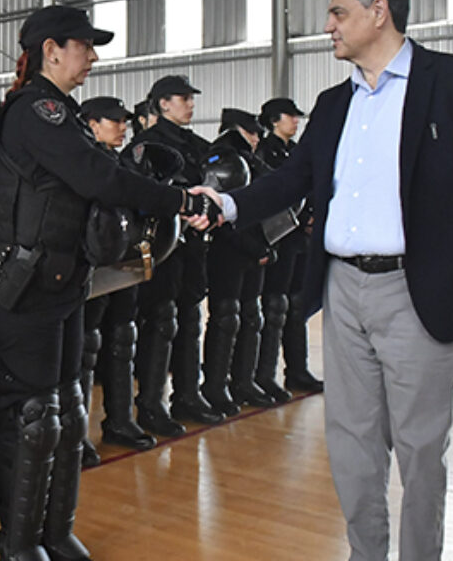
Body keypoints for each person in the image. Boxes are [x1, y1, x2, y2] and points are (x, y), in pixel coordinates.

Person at [198, 0, 453, 560]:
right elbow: (294, 178)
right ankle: (365, 552)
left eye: (338, 13)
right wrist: (226, 203)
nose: (328, 26)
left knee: (420, 444)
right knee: (350, 439)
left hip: (418, 289)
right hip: (344, 289)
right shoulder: (333, 104)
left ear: (380, 13)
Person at [0, 5, 206, 561]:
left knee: (67, 409)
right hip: (24, 288)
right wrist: (176, 199)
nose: (94, 56)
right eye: (85, 45)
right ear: (51, 49)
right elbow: (98, 176)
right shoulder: (37, 110)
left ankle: (56, 533)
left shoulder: (63, 113)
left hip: (62, 281)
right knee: (30, 419)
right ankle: (19, 542)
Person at [127, 75, 224, 435]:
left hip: (195, 244)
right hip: (164, 245)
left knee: (190, 318)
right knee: (161, 321)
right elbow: (140, 194)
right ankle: (151, 404)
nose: (191, 104)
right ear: (163, 103)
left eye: (190, 98)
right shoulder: (146, 145)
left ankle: (187, 394)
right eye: (183, 98)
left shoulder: (197, 144)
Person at [78, 96, 157, 461]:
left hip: (122, 267)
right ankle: (76, 434)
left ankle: (120, 420)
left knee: (122, 339)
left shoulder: (123, 163)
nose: (123, 127)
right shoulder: (82, 165)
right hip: (93, 268)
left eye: (125, 121)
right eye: (114, 121)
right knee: (86, 347)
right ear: (92, 125)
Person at [201, 109, 277, 413]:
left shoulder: (250, 158)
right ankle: (216, 386)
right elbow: (221, 212)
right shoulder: (223, 158)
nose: (257, 138)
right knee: (226, 317)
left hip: (254, 245)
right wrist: (253, 245)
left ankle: (242, 381)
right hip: (231, 249)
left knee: (249, 316)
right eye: (253, 132)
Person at [255, 97, 323, 395]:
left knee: (296, 304)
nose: (296, 122)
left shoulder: (295, 151)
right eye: (290, 117)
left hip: (299, 238)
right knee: (274, 305)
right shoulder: (265, 152)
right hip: (279, 237)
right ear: (274, 120)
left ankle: (297, 370)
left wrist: (311, 217)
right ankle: (263, 374)